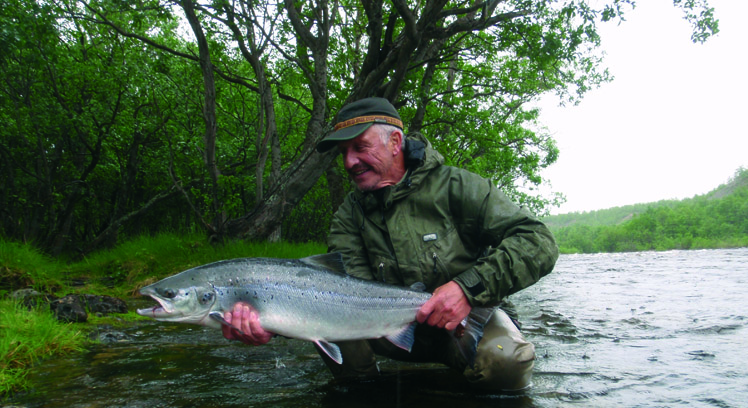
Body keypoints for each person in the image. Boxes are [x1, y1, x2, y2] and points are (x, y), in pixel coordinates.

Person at [222, 97, 559, 391]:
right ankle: (368, 392)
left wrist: (466, 289)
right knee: (337, 333)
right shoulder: (349, 215)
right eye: (344, 153)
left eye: (359, 147)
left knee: (507, 364)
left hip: (464, 323)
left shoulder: (458, 187)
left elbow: (538, 241)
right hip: (385, 326)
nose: (349, 162)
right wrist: (268, 322)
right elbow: (335, 293)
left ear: (395, 142)